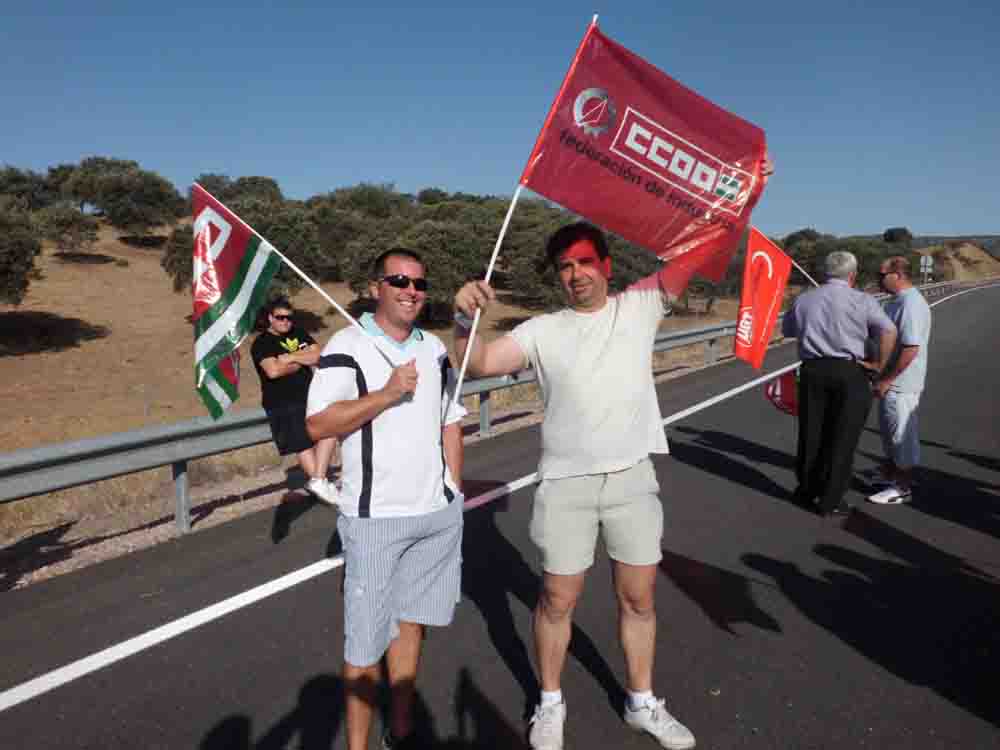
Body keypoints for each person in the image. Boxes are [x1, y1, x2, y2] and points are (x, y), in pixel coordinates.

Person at [454, 222, 696, 750]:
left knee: (638, 598)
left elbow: (700, 249)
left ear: (606, 266)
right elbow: (478, 363)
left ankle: (642, 702)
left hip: (632, 478)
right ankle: (549, 702)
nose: (576, 274)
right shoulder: (543, 329)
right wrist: (462, 318)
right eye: (565, 266)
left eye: (585, 262)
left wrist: (742, 191)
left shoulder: (639, 307)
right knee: (557, 599)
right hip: (565, 485)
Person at [306, 248, 466, 750]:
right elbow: (319, 423)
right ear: (377, 285)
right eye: (399, 280)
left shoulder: (434, 348)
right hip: (374, 519)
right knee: (364, 643)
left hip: (435, 515)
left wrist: (453, 490)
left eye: (420, 283)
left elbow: (450, 419)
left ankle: (400, 732)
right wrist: (388, 393)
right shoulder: (347, 344)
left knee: (411, 628)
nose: (410, 291)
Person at [781, 251, 897, 518]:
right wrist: (879, 365)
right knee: (843, 436)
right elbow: (889, 330)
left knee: (811, 433)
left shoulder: (804, 299)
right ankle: (831, 499)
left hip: (813, 370)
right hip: (849, 371)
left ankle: (807, 489)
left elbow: (788, 330)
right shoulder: (863, 300)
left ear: (825, 273)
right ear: (853, 276)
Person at [251, 296, 338, 504]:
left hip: (311, 396)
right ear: (270, 318)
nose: (285, 322)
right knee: (303, 444)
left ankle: (319, 482)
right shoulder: (262, 343)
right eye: (280, 317)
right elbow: (272, 371)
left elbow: (318, 356)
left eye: (289, 318)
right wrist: (302, 357)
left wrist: (290, 358)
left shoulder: (298, 333)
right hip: (282, 402)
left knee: (328, 432)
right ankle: (322, 486)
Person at [867, 255, 932, 504]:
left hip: (902, 382)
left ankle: (903, 487)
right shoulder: (895, 302)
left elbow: (910, 348)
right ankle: (892, 475)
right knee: (888, 432)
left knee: (901, 435)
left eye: (882, 275)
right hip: (889, 379)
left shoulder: (911, 304)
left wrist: (887, 379)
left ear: (899, 275)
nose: (878, 279)